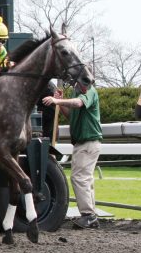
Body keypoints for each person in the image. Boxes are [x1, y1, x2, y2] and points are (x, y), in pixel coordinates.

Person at [42, 78, 102, 229]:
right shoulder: (79, 90)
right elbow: (72, 115)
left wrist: (57, 101)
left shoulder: (89, 91)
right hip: (84, 143)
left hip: (88, 142)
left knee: (79, 178)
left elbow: (78, 103)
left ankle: (88, 216)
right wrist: (60, 102)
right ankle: (91, 215)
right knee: (85, 179)